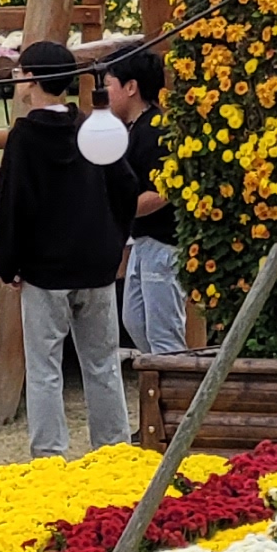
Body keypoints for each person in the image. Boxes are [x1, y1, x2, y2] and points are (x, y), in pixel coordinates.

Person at [0, 35, 128, 456]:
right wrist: (111, 238)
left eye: (20, 73)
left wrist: (7, 263)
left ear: (31, 79)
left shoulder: (25, 137)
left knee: (44, 367)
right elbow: (125, 186)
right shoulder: (91, 128)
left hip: (45, 269)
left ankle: (49, 454)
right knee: (103, 363)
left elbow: (14, 203)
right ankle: (114, 449)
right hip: (96, 264)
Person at [103, 45, 184, 358]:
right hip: (142, 242)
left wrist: (116, 212)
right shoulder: (134, 129)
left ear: (131, 87)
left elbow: (163, 191)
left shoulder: (156, 130)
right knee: (135, 320)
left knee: (164, 334)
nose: (105, 94)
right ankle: (161, 380)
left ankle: (177, 385)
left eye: (109, 85)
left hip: (163, 244)